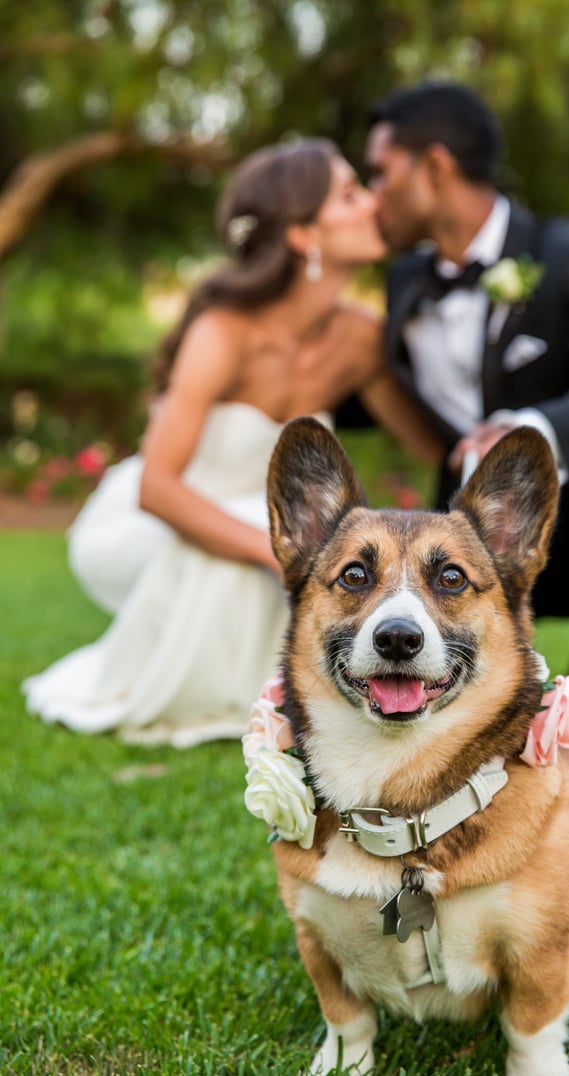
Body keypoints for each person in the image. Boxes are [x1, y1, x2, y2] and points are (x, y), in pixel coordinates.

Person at [22, 139, 443, 747]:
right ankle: (267, 698)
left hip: (266, 524)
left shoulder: (360, 341)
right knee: (293, 536)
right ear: (303, 234)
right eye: (350, 194)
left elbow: (434, 446)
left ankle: (296, 689)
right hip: (146, 525)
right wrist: (277, 554)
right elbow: (156, 489)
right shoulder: (223, 331)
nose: (372, 202)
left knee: (305, 534)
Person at [366, 82, 569, 673]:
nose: (373, 195)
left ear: (434, 167)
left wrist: (532, 430)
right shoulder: (405, 280)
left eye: (381, 173)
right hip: (451, 540)